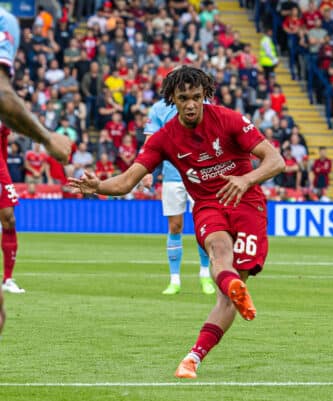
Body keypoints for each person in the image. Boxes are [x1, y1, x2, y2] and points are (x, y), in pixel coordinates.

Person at [68, 66, 285, 378]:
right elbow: (129, 181)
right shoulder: (164, 138)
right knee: (219, 250)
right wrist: (98, 186)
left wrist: (245, 179)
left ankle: (204, 338)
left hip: (247, 203)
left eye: (196, 97)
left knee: (228, 293)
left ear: (204, 96)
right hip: (209, 205)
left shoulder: (229, 119)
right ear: (172, 99)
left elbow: (276, 160)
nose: (191, 104)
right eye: (184, 98)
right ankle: (193, 357)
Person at [0, 7, 72, 334]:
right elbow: (2, 95)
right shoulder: (5, 22)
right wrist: (47, 138)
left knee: (9, 218)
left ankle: (8, 278)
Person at [144, 98, 216, 296]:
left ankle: (205, 275)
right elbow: (151, 144)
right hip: (172, 175)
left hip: (200, 174)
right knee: (175, 225)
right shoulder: (158, 108)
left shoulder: (204, 103)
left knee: (204, 226)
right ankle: (174, 279)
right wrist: (148, 170)